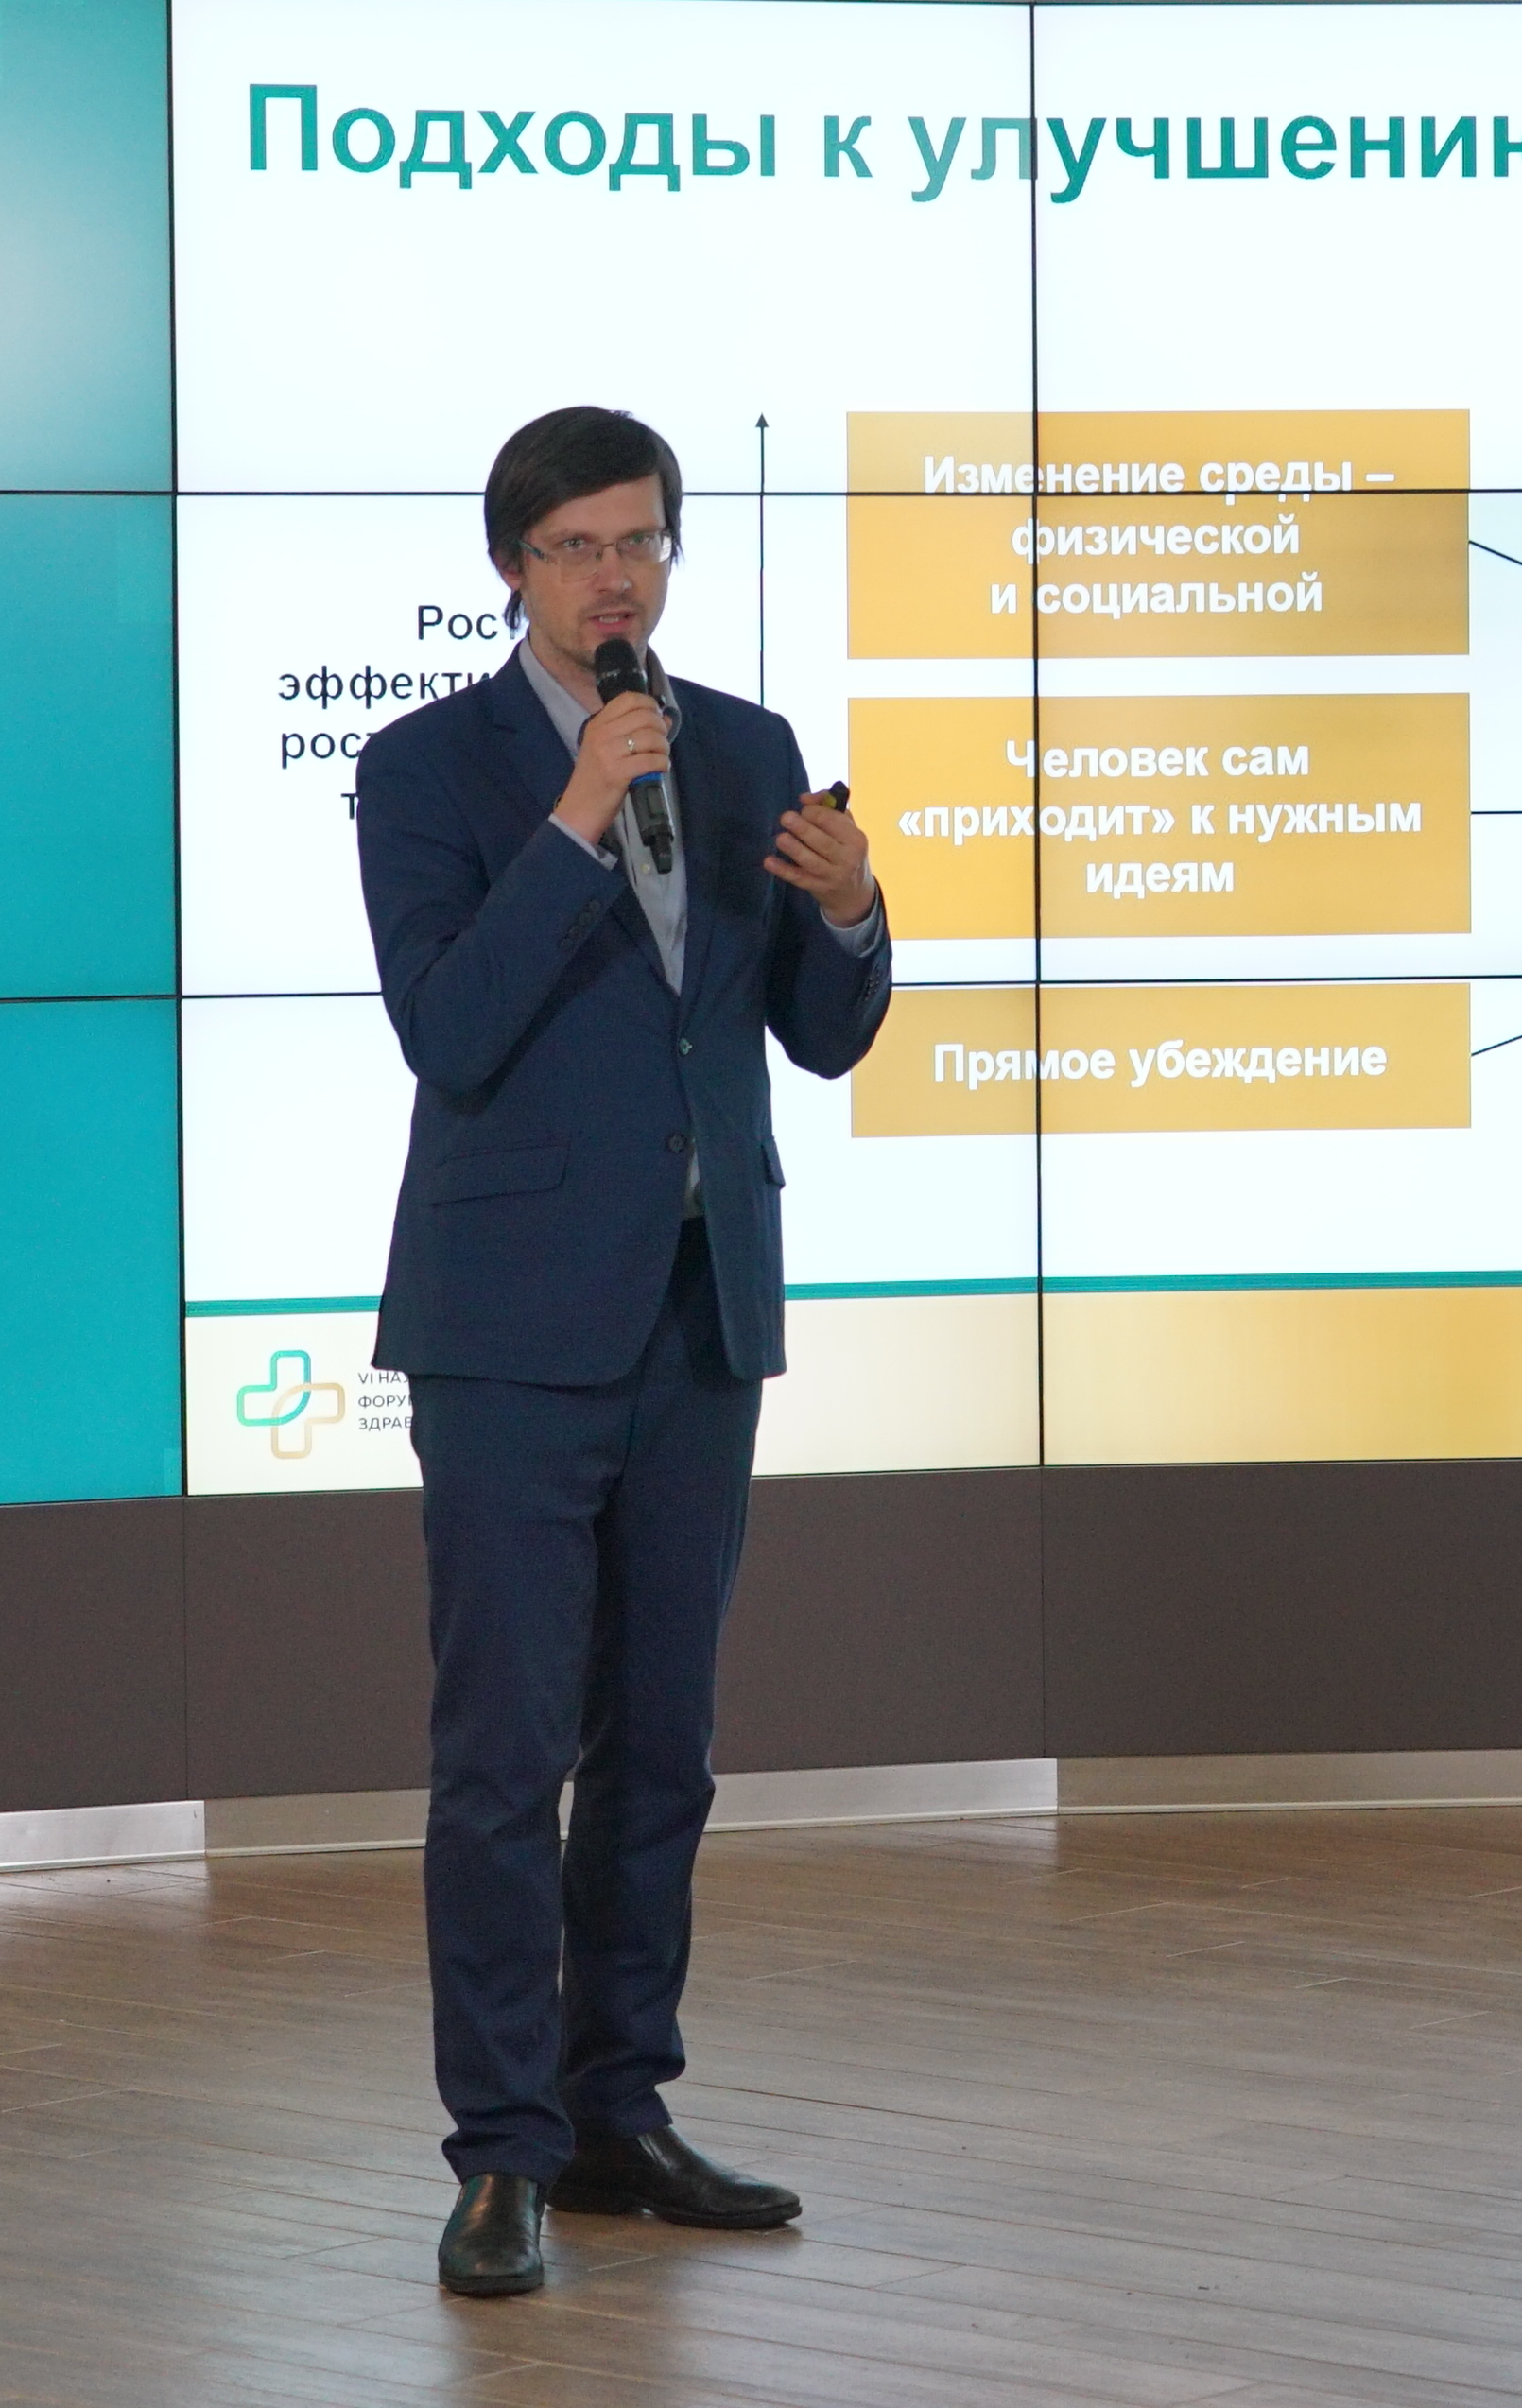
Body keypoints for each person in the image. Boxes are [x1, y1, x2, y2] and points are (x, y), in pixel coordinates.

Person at [355, 405, 890, 2297]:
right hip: (509, 1328)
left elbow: (816, 1035)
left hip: (697, 1308)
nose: (617, 579)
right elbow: (450, 1029)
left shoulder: (743, 746)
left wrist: (851, 912)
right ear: (512, 567)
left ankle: (614, 2114)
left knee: (661, 1745)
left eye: (642, 542)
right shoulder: (428, 767)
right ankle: (498, 2153)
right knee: (505, 1758)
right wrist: (576, 820)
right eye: (579, 548)